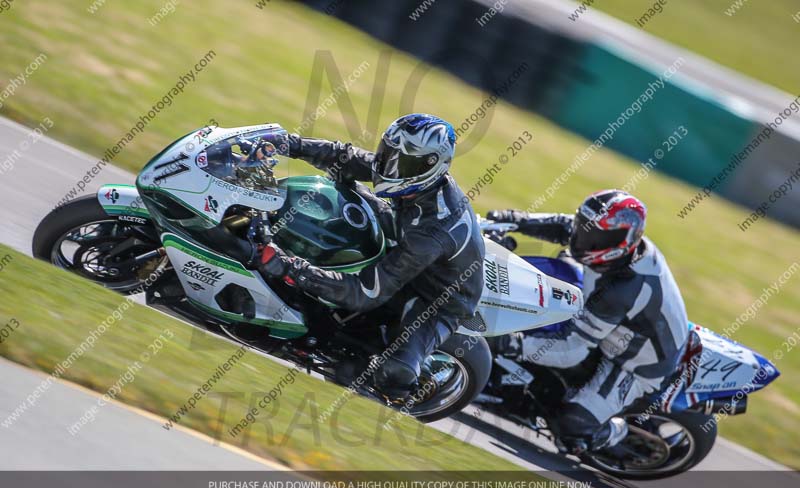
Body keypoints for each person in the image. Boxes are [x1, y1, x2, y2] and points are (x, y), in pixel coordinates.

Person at [258, 114, 485, 397]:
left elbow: (367, 292)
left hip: (437, 298)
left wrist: (291, 268)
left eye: (402, 162)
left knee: (394, 373)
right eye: (388, 154)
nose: (390, 167)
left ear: (430, 166)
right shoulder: (410, 178)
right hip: (404, 241)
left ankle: (395, 398)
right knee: (338, 190)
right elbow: (344, 157)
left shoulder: (433, 229)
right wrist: (287, 144)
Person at [487, 190, 689, 451]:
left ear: (625, 241)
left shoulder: (621, 290)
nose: (584, 239)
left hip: (635, 363)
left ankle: (620, 434)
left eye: (597, 236)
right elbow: (566, 226)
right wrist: (514, 220)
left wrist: (509, 343)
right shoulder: (612, 245)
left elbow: (572, 349)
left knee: (572, 427)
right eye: (586, 228)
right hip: (609, 319)